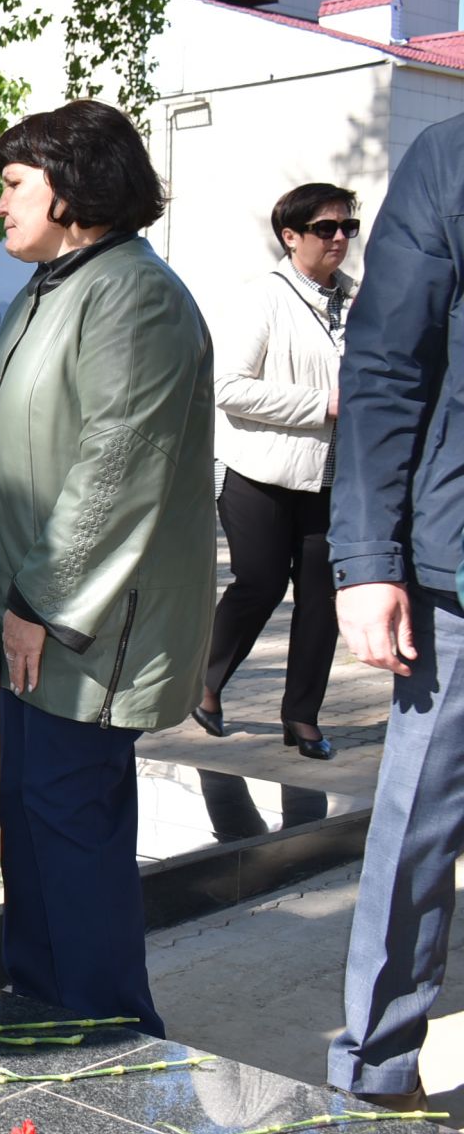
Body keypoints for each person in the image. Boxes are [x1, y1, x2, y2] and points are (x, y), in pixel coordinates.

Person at [0, 100, 214, 1039]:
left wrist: (39, 602)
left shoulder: (134, 295)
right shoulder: (44, 289)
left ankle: (111, 1028)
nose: (0, 205)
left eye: (15, 184)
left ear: (71, 186)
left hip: (90, 626)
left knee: (73, 827)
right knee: (33, 819)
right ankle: (41, 1004)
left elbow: (116, 466)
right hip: (31, 614)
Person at [326, 110, 464, 1111]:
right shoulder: (452, 157)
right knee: (418, 827)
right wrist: (368, 559)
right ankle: (376, 1064)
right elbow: (386, 364)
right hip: (456, 581)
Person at [191, 183, 358, 761]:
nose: (340, 238)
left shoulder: (361, 302)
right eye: (325, 228)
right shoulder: (262, 299)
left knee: (323, 596)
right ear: (290, 237)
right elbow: (229, 388)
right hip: (258, 471)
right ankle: (206, 683)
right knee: (260, 583)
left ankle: (302, 717)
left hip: (334, 479)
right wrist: (322, 404)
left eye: (347, 227)